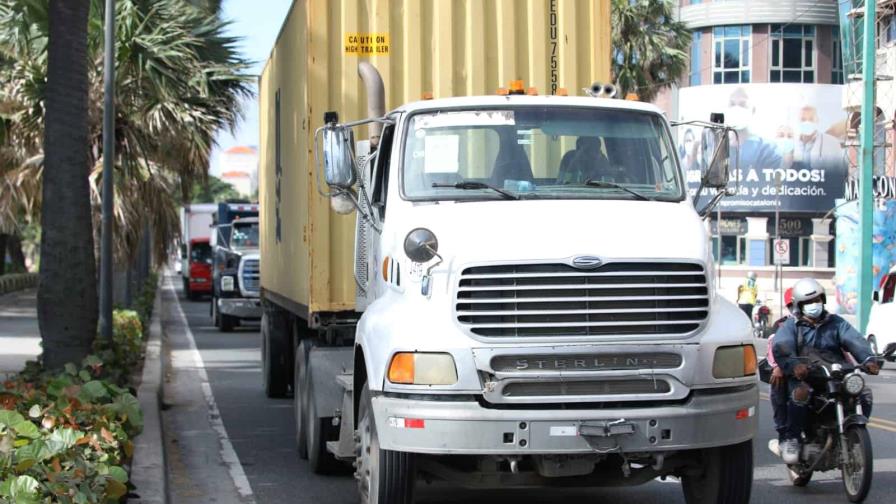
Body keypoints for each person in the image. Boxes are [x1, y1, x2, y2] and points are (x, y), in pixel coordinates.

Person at [771, 278, 880, 464]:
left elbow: (854, 340)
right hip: (805, 375)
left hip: (835, 374)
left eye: (817, 299)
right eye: (808, 302)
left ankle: (854, 436)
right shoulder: (792, 325)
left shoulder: (836, 323)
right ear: (799, 305)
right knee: (800, 393)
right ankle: (792, 440)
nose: (814, 304)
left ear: (823, 299)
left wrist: (868, 359)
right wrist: (794, 365)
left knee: (864, 393)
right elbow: (782, 346)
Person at [766, 287, 794, 445]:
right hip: (791, 369)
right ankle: (784, 435)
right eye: (792, 305)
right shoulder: (782, 325)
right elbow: (773, 347)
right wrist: (779, 366)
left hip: (819, 369)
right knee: (777, 386)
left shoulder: (827, 321)